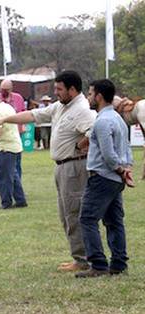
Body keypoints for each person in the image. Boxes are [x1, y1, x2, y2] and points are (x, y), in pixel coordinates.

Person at [0, 70, 96, 272]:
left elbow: (94, 133)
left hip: (74, 166)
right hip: (62, 167)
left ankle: (83, 259)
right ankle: (79, 257)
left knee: (74, 213)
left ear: (72, 90)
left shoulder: (82, 109)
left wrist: (78, 147)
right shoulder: (61, 106)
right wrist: (5, 120)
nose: (56, 93)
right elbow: (33, 115)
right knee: (65, 214)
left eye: (59, 89)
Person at [75, 79, 134, 278]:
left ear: (99, 96)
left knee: (87, 219)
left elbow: (108, 155)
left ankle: (98, 264)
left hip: (102, 177)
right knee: (114, 221)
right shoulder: (118, 119)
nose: (89, 98)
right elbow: (125, 149)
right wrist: (126, 170)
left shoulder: (101, 121)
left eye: (91, 94)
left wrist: (118, 170)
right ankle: (118, 263)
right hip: (115, 179)